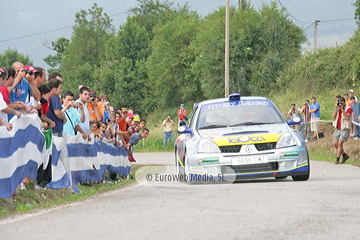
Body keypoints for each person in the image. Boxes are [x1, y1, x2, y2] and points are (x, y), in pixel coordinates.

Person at [332, 97, 351, 164]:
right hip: (338, 128)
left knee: (340, 143)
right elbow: (333, 116)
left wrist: (342, 110)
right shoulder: (338, 109)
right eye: (339, 102)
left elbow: (348, 117)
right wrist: (336, 109)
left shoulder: (348, 108)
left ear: (344, 102)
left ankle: (337, 158)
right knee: (335, 144)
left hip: (345, 128)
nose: (340, 103)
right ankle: (344, 155)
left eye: (342, 102)